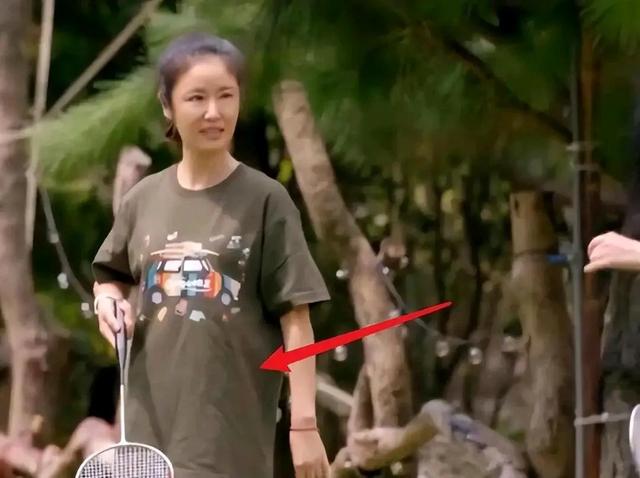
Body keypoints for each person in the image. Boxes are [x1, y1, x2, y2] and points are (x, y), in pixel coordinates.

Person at [91, 32, 332, 478]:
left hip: (230, 438)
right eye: (196, 98)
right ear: (167, 106)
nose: (213, 112)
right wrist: (107, 302)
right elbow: (110, 276)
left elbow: (296, 320)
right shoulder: (142, 200)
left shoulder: (267, 200)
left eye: (226, 96)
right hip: (148, 436)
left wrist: (304, 425)